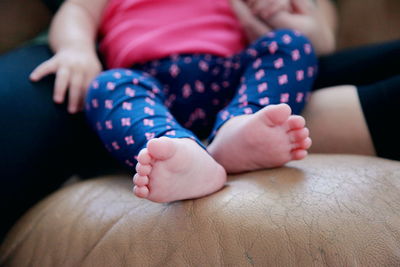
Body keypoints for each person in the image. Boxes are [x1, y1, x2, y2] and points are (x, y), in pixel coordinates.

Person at [29, 0, 322, 203]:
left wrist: (272, 10)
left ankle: (240, 126)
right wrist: (77, 49)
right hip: (149, 87)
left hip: (226, 78)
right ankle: (176, 151)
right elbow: (77, 10)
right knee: (106, 86)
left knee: (291, 44)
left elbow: (314, 37)